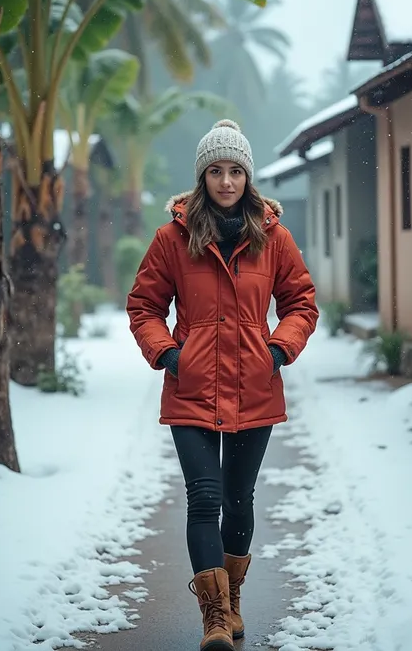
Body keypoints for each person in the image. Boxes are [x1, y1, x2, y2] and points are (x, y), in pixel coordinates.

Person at [127, 119, 318, 651]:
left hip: (254, 385)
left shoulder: (273, 236)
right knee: (203, 497)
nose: (227, 181)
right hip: (190, 387)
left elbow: (301, 303)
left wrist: (278, 350)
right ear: (202, 176)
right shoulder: (173, 238)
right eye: (216, 171)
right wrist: (167, 353)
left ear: (248, 177)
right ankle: (214, 618)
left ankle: (232, 602)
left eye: (236, 171)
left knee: (237, 499)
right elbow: (144, 306)